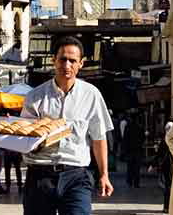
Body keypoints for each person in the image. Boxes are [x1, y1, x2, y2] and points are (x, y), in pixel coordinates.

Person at [21, 35, 113, 215]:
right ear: (53, 60)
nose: (67, 65)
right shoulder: (35, 97)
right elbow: (25, 139)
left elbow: (98, 138)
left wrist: (104, 175)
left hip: (76, 176)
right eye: (62, 59)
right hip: (40, 175)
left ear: (81, 64)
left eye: (73, 60)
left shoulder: (91, 95)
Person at [124, 112, 146, 188]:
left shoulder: (128, 127)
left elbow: (125, 139)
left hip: (130, 150)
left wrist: (125, 149)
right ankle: (136, 183)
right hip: (138, 150)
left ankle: (130, 182)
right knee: (137, 168)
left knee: (130, 167)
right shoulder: (140, 127)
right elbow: (143, 138)